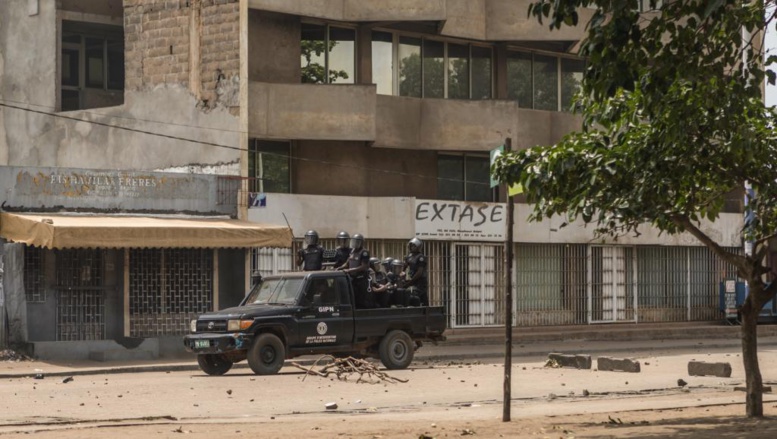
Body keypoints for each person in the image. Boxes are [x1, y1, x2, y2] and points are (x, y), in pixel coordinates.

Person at [337, 233, 372, 308]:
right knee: (352, 297)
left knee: (361, 299)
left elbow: (364, 266)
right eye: (354, 242)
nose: (355, 244)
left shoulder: (364, 252)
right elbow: (347, 263)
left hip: (361, 279)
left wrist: (350, 270)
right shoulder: (352, 251)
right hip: (352, 279)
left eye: (357, 242)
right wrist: (339, 268)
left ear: (361, 243)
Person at [403, 237, 429, 306]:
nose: (412, 247)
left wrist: (410, 282)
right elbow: (404, 267)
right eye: (411, 245)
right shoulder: (409, 256)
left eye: (414, 246)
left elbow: (419, 272)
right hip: (412, 281)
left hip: (420, 282)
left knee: (420, 298)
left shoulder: (421, 257)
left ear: (418, 247)